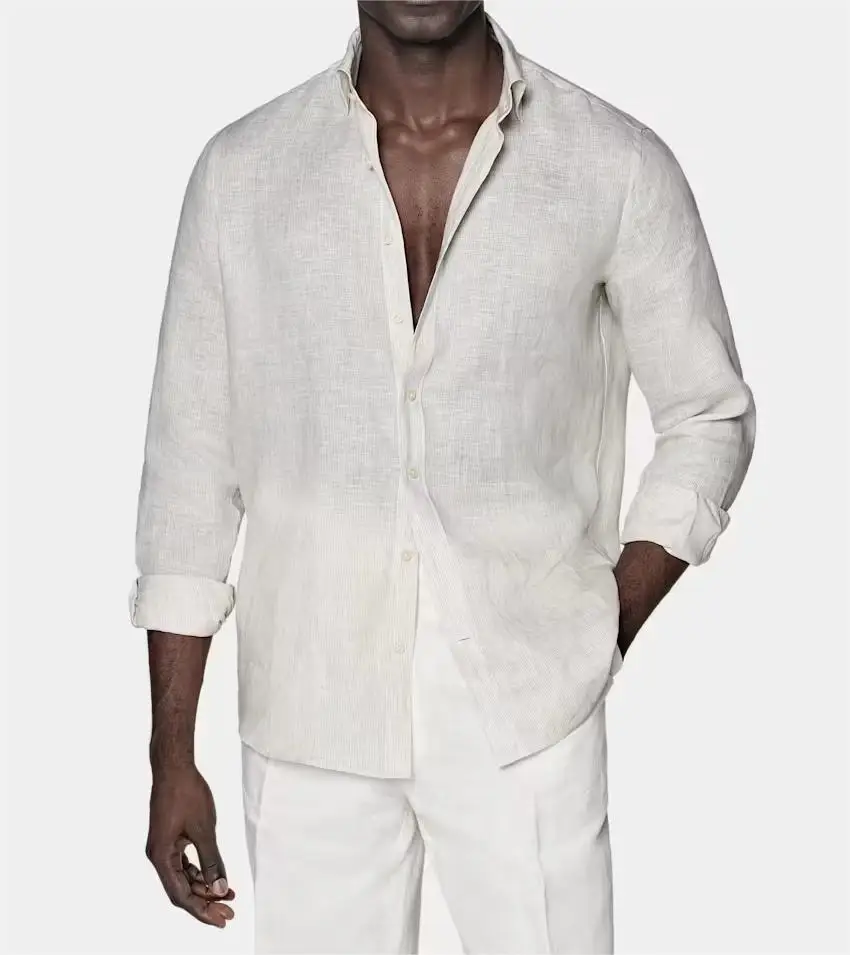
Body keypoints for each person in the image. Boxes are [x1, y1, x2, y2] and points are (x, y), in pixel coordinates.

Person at [128, 2, 756, 952]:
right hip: (312, 706)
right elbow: (188, 472)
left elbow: (709, 414)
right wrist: (171, 753)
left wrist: (604, 623)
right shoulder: (241, 175)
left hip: (527, 705)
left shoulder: (612, 163)